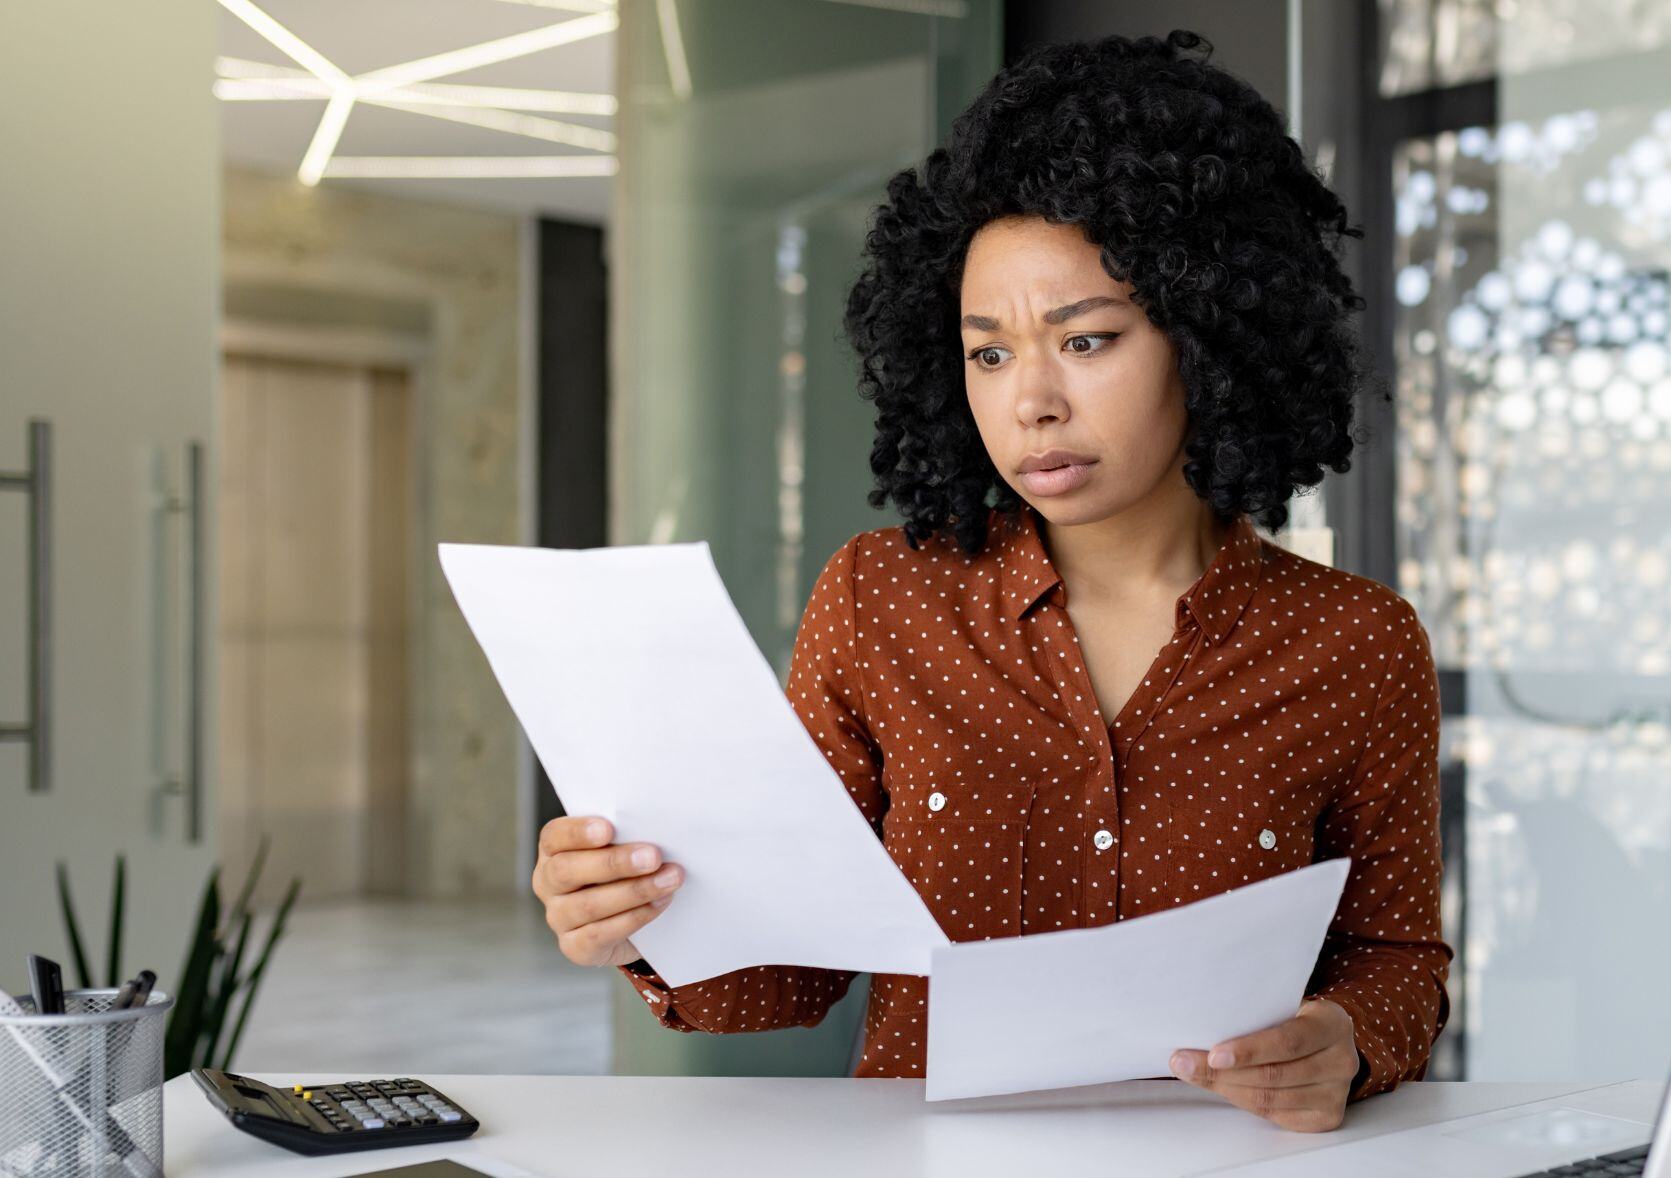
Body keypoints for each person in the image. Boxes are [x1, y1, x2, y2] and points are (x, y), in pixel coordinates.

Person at [529, 29, 1449, 1133]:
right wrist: (642, 922)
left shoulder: (1356, 641)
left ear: (1209, 336)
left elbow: (1395, 958)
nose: (1032, 402)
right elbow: (784, 977)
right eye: (990, 352)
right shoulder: (879, 601)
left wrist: (1344, 1040)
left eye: (1089, 339)